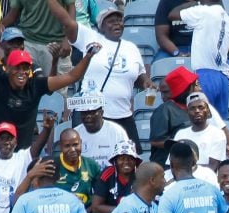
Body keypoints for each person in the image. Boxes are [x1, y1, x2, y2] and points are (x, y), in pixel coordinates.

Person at [0, 27, 100, 150]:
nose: (22, 72)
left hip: (21, 155)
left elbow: (72, 77)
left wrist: (89, 55)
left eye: (26, 67)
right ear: (8, 69)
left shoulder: (35, 85)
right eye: (17, 67)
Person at [47, 1, 153, 153]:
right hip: (92, 114)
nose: (117, 24)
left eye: (119, 20)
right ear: (101, 26)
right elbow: (66, 21)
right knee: (87, 156)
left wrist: (146, 82)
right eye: (111, 21)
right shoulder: (90, 37)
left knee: (131, 158)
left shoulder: (132, 48)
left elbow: (138, 77)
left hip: (123, 114)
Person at [149, 66, 229, 167]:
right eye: (195, 85)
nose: (199, 88)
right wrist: (180, 144)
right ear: (185, 89)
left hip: (200, 164)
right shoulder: (165, 110)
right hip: (169, 166)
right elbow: (155, 140)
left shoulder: (203, 108)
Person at [168, 0, 229, 120]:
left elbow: (173, 14)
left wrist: (193, 3)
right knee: (220, 124)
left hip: (206, 74)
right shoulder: (228, 18)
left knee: (201, 121)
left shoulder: (204, 11)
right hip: (222, 77)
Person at [1, 0, 73, 79]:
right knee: (23, 86)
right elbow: (13, 13)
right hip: (27, 42)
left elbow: (72, 7)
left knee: (57, 88)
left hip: (56, 44)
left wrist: (67, 39)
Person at [73, 90, 129, 169]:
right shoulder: (75, 134)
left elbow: (126, 159)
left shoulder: (117, 132)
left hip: (110, 178)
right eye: (84, 112)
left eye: (92, 112)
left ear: (101, 113)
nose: (88, 116)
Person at [52, 128, 102, 211]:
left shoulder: (91, 165)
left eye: (75, 144)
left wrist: (86, 212)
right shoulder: (52, 164)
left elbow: (101, 195)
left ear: (81, 143)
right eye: (67, 146)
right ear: (60, 146)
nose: (72, 150)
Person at [173, 92, 226, 169]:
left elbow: (213, 166)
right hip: (183, 178)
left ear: (208, 110)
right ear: (187, 112)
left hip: (207, 179)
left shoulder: (217, 134)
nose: (197, 111)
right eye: (192, 108)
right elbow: (174, 164)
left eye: (201, 107)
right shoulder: (180, 134)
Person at [91, 140, 141, 213]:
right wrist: (123, 211)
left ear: (135, 161)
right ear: (115, 161)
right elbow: (95, 207)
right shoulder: (107, 174)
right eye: (122, 158)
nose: (126, 162)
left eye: (130, 158)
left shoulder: (141, 175)